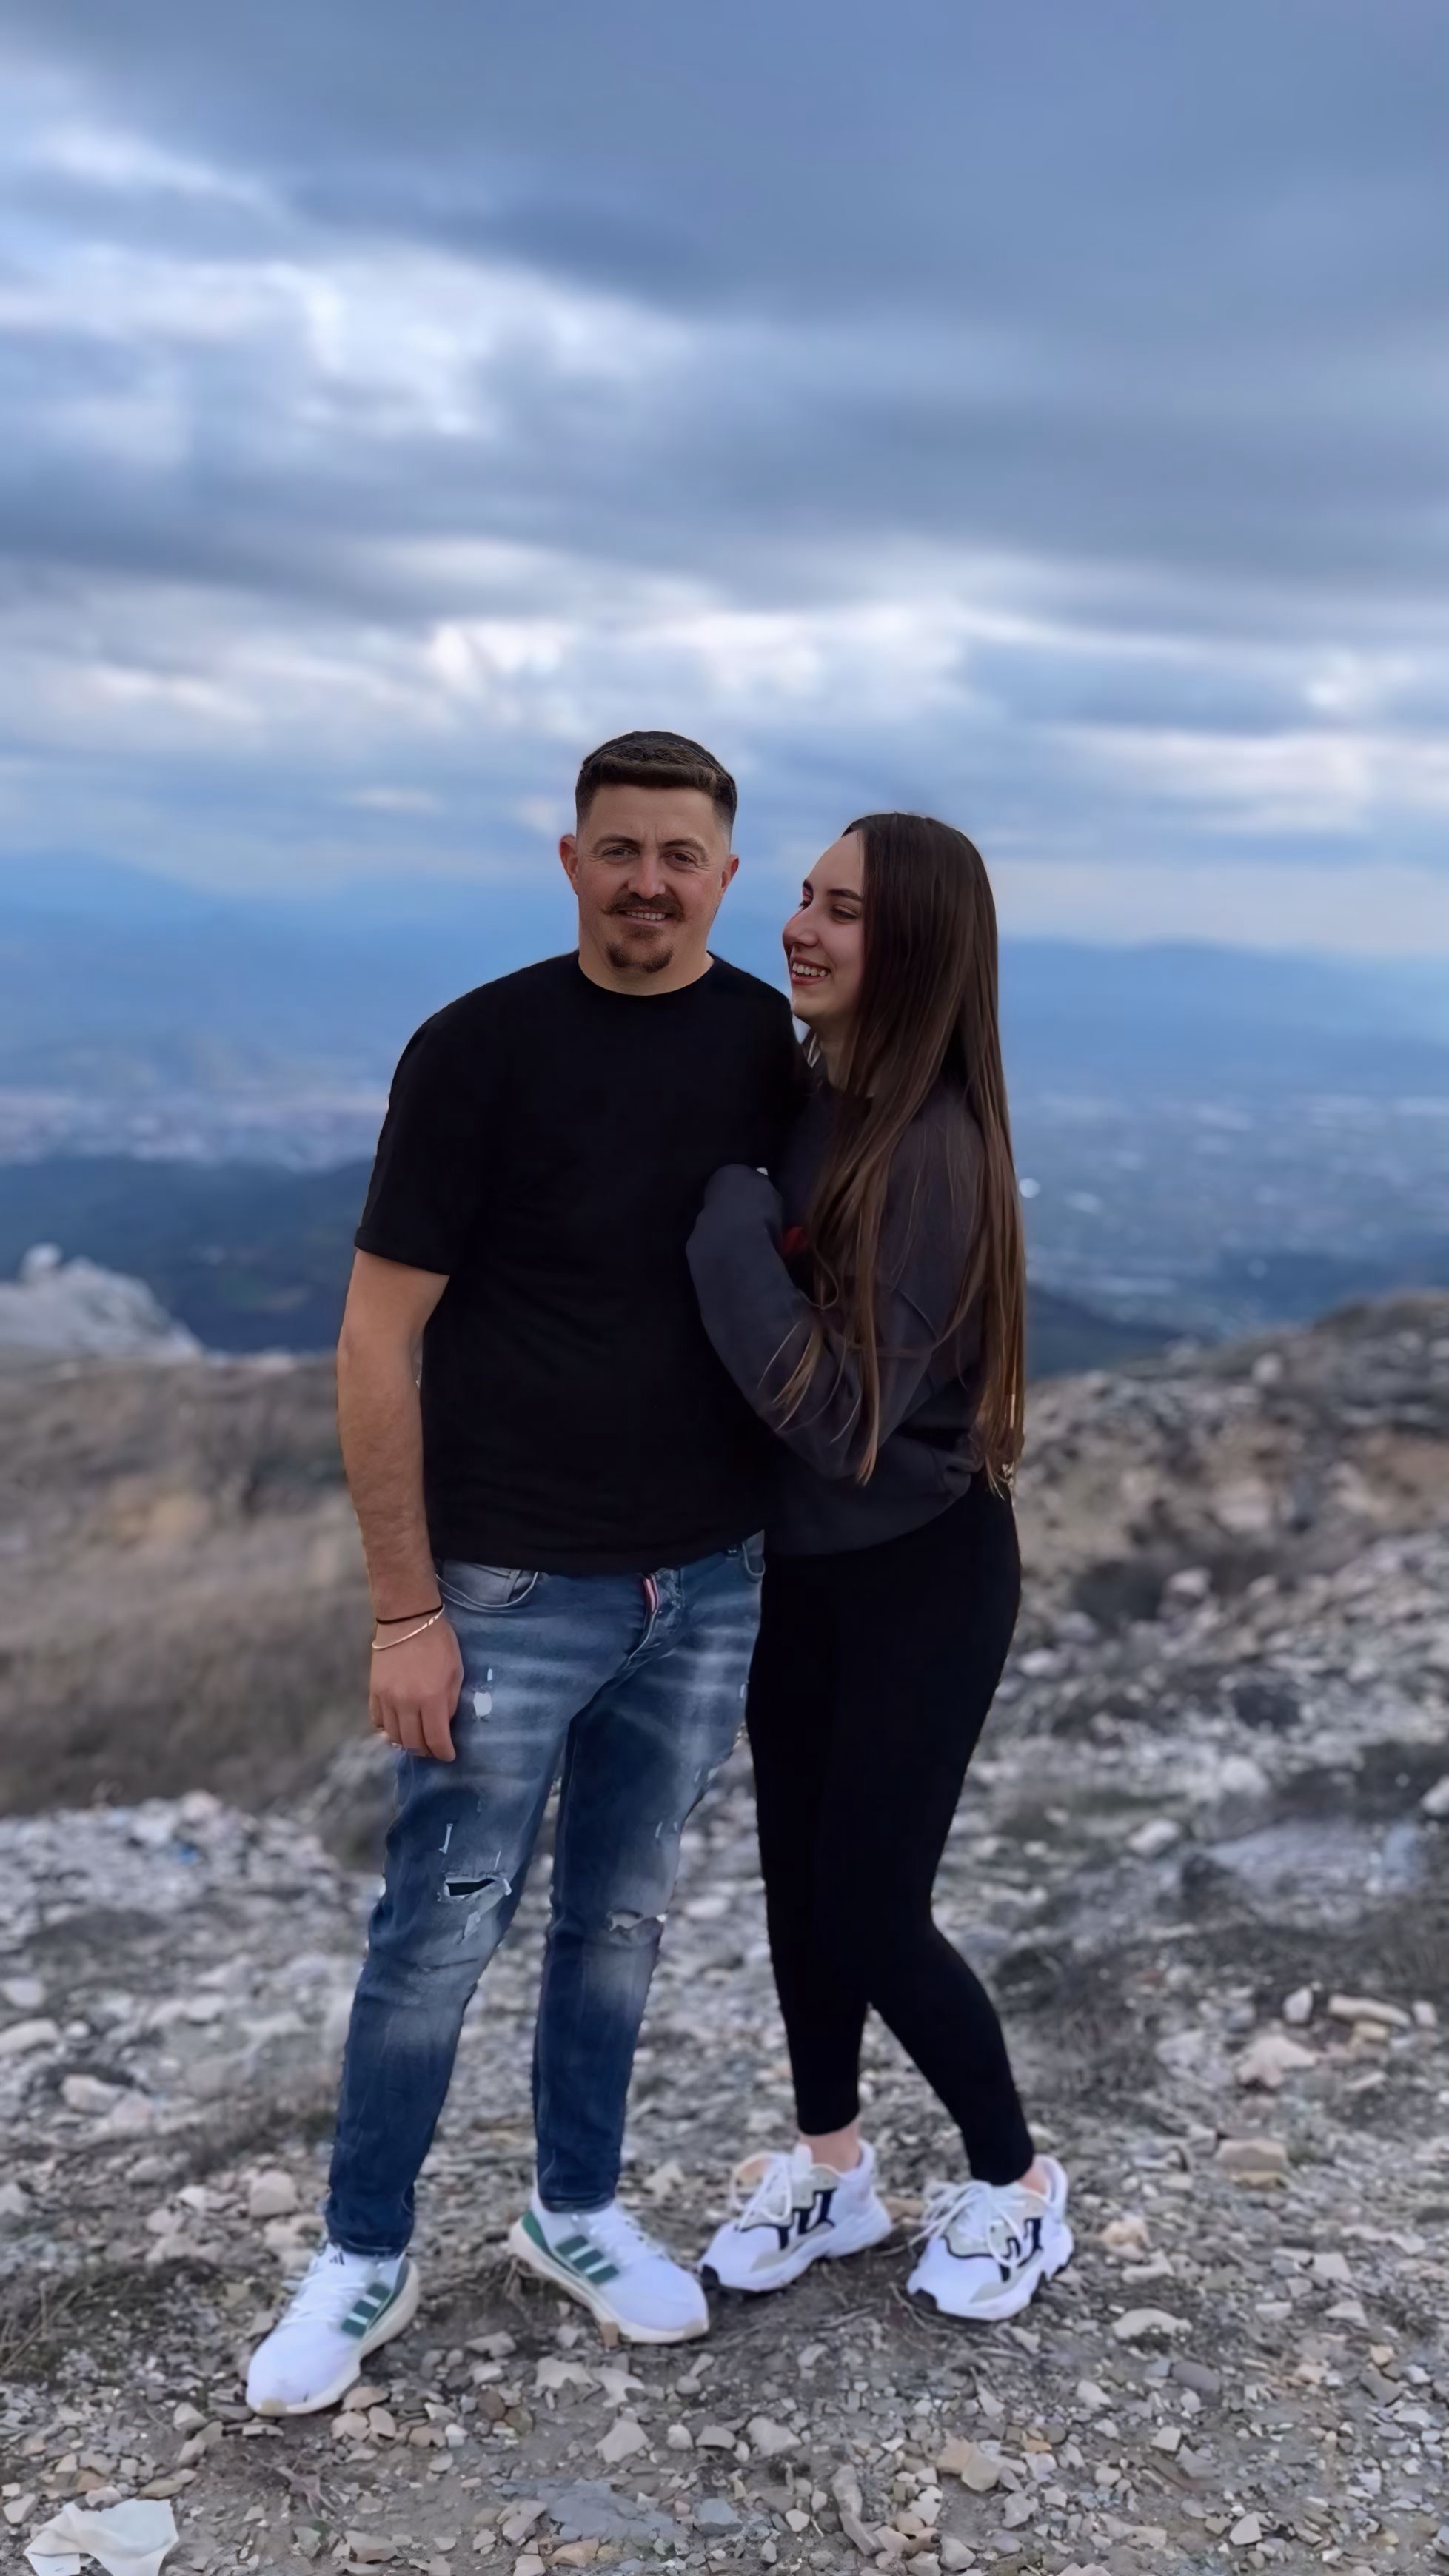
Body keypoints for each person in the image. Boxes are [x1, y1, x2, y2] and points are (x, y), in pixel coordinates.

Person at [246, 731, 802, 2413]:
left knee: (619, 1919)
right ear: (570, 861)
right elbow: (375, 1339)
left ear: (724, 876)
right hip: (503, 1586)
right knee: (437, 1931)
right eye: (618, 849)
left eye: (681, 856)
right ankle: (361, 2253)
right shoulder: (477, 1049)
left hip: (705, 1579)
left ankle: (575, 2211)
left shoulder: (760, 1043)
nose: (648, 882)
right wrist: (404, 1609)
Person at [686, 811, 1072, 2322]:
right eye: (802, 896)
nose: (800, 925)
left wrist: (728, 1225)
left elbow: (840, 1421)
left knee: (868, 1904)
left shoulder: (929, 1152)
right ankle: (832, 2167)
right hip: (804, 1570)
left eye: (841, 909)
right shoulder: (809, 1099)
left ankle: (1017, 2185)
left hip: (919, 1572)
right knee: (797, 1881)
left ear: (911, 945)